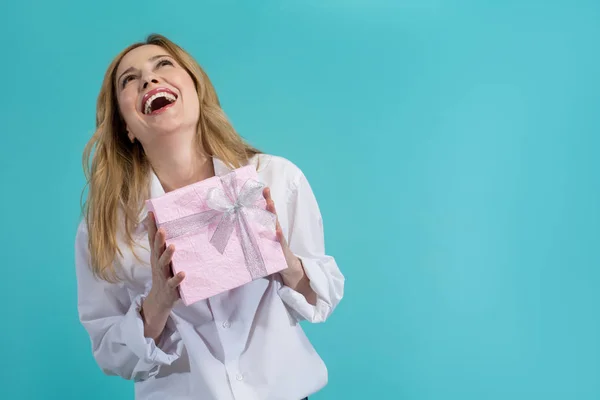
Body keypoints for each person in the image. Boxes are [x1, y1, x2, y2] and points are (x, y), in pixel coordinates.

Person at [74, 33, 345, 400]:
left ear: (196, 88)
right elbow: (111, 353)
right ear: (124, 125)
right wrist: (157, 302)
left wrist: (285, 259)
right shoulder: (104, 230)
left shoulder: (275, 179)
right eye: (129, 79)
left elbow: (320, 298)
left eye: (163, 65)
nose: (149, 80)